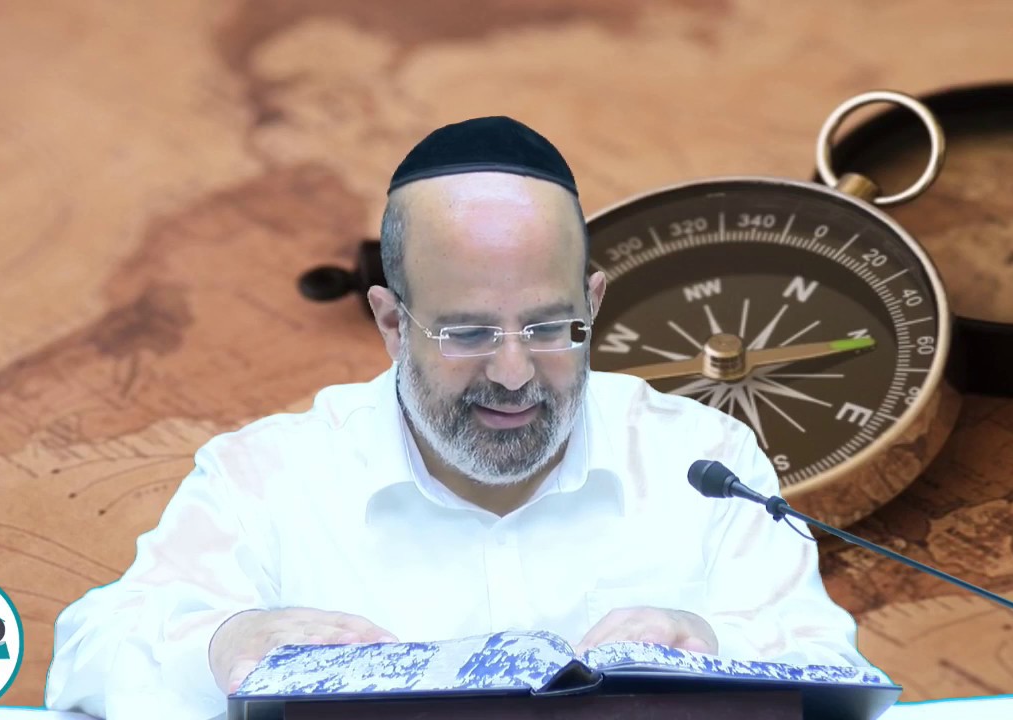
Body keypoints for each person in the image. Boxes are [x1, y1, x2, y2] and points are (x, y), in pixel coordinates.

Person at [45, 116, 873, 720]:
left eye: (549, 328)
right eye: (468, 334)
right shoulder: (266, 475)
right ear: (390, 322)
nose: (513, 374)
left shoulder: (703, 459)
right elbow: (90, 653)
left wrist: (707, 641)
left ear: (592, 305)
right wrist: (225, 643)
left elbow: (827, 663)